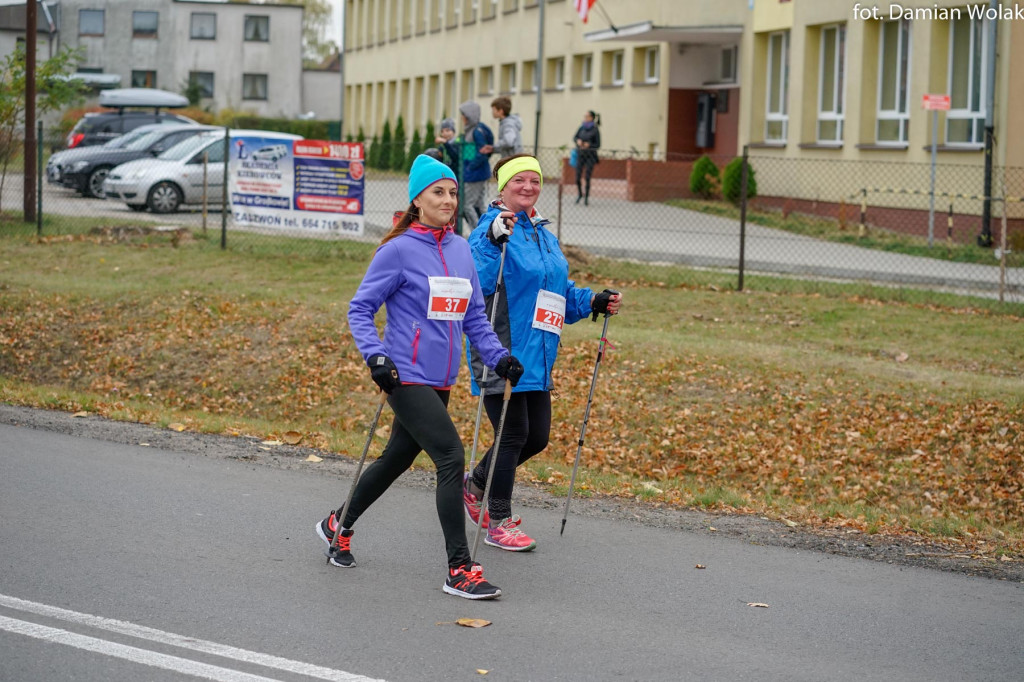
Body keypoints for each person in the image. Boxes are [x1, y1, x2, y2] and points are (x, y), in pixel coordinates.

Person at [316, 154, 525, 600]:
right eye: (438, 192)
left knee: (396, 458)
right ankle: (459, 568)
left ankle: (338, 523)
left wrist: (499, 356)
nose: (449, 200)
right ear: (417, 199)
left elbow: (474, 317)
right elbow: (360, 308)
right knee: (450, 457)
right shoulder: (397, 250)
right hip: (403, 375)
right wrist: (375, 357)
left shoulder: (461, 249)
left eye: (452, 192)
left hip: (441, 378)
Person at [464, 153, 622, 551]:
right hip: (501, 348)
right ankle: (498, 520)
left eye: (535, 181)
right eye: (520, 181)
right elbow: (475, 277)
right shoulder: (491, 227)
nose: (529, 187)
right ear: (502, 186)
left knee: (537, 438)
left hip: (539, 352)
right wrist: (492, 240)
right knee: (512, 434)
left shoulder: (541, 233)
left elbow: (557, 293)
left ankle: (476, 484)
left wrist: (592, 301)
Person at [455, 100, 494, 231]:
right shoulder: (476, 129)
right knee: (480, 204)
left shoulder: (476, 132)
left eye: (464, 115)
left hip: (474, 174)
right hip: (479, 173)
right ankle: (488, 230)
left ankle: (478, 231)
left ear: (469, 115)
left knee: (467, 205)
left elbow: (482, 152)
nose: (462, 118)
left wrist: (470, 167)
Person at [572, 110, 601, 205]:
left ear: (591, 117)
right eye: (585, 116)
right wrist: (579, 141)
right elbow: (575, 137)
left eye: (587, 116)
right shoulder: (582, 127)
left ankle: (586, 198)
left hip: (590, 156)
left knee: (587, 177)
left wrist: (589, 145)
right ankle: (580, 194)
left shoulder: (595, 129)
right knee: (577, 177)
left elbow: (598, 144)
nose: (585, 117)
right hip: (581, 155)